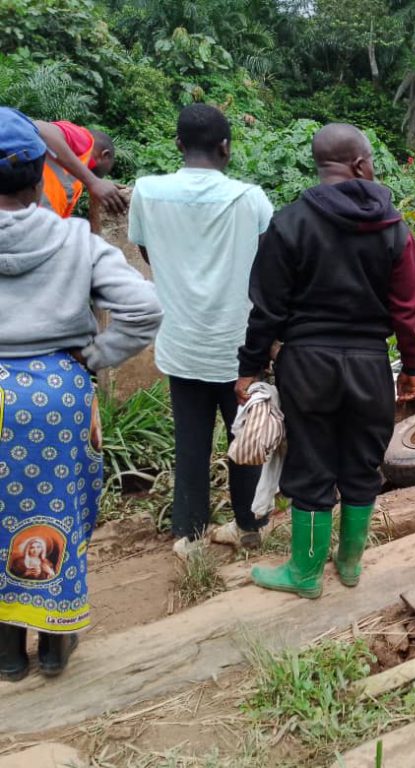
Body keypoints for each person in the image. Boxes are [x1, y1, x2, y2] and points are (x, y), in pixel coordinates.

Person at [0, 107, 161, 681]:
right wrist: (94, 356)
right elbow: (144, 308)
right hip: (59, 395)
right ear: (44, 168)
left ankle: (6, 652)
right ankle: (54, 647)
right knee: (60, 510)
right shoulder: (74, 240)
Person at [236, 123, 415, 599]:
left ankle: (304, 574)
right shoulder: (393, 227)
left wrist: (250, 367)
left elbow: (267, 308)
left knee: (312, 463)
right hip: (368, 364)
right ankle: (349, 564)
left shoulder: (290, 221)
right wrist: (412, 367)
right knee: (363, 462)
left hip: (306, 364)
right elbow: (408, 307)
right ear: (360, 164)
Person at [128, 104, 274, 559]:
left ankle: (189, 534)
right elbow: (267, 268)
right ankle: (249, 527)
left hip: (182, 341)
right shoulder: (250, 199)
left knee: (189, 441)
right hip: (239, 345)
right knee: (246, 438)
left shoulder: (147, 193)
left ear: (178, 145)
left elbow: (149, 254)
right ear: (226, 147)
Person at [32, 119, 126, 221]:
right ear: (104, 155)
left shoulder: (76, 177)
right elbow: (40, 128)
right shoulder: (85, 140)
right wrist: (93, 181)